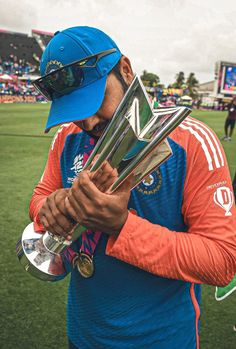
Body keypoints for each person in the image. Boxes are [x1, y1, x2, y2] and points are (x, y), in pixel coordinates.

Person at [30, 26, 236, 349]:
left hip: (164, 341)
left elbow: (222, 260)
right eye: (74, 110)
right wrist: (52, 207)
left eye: (96, 101)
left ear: (126, 69)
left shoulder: (192, 143)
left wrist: (122, 227)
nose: (88, 122)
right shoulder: (66, 138)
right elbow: (41, 197)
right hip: (83, 336)